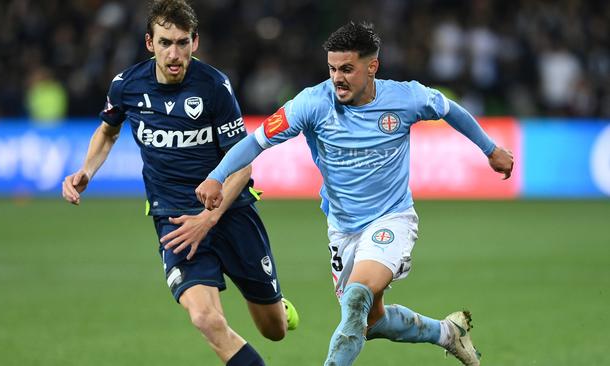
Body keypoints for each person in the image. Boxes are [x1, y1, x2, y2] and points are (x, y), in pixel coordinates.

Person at [196, 21, 514, 366]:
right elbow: (256, 140)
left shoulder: (406, 98)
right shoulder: (312, 103)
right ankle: (448, 333)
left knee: (356, 299)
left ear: (372, 66)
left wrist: (490, 149)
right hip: (343, 229)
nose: (337, 78)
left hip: (392, 218)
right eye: (332, 69)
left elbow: (450, 110)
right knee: (370, 321)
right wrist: (217, 175)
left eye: (347, 68)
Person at [61, 1, 298, 365]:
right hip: (173, 219)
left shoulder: (214, 86)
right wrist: (87, 171)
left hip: (230, 213)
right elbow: (108, 132)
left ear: (195, 43)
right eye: (166, 42)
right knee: (206, 318)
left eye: (182, 43)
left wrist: (208, 219)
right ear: (149, 43)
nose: (174, 53)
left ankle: (276, 303)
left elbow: (242, 167)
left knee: (275, 330)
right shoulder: (126, 86)